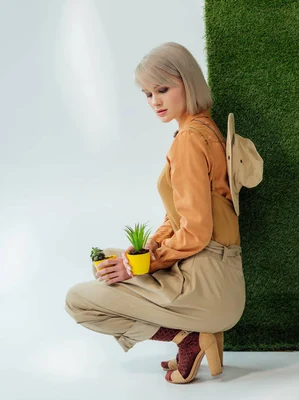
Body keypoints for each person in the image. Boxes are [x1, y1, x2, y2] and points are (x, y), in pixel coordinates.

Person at [65, 42, 247, 384]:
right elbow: (177, 215)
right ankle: (192, 334)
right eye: (148, 94)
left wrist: (145, 262)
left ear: (188, 83)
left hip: (204, 283)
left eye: (163, 89)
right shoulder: (202, 130)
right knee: (104, 260)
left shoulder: (190, 141)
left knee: (78, 301)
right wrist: (144, 252)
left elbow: (195, 232)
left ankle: (186, 337)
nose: (155, 102)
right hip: (214, 275)